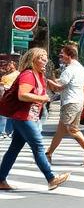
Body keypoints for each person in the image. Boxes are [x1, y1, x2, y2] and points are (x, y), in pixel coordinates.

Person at [0, 47, 70, 192]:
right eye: (41, 57)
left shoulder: (38, 75)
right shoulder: (28, 74)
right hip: (23, 117)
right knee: (38, 145)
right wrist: (42, 98)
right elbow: (22, 95)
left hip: (27, 116)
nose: (45, 59)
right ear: (33, 60)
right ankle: (51, 178)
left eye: (46, 57)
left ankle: (1, 179)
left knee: (14, 149)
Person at [45, 42, 84, 166]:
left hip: (70, 102)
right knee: (61, 131)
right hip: (77, 102)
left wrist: (47, 81)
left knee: (71, 129)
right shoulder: (81, 68)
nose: (60, 57)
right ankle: (48, 154)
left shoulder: (69, 70)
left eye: (62, 55)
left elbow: (59, 87)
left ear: (69, 55)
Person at [0, 59, 16, 139]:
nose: (8, 67)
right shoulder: (4, 75)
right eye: (8, 65)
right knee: (3, 114)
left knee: (9, 115)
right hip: (4, 96)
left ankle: (9, 131)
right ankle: (3, 131)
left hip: (11, 96)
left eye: (10, 65)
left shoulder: (17, 74)